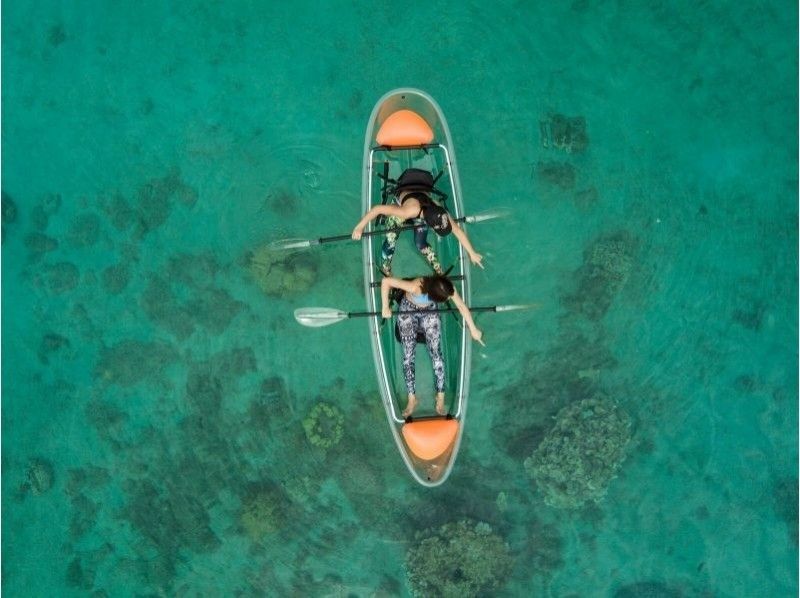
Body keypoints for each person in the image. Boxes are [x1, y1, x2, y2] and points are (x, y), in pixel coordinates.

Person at [381, 274, 484, 417]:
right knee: (408, 356)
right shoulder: (416, 286)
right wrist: (385, 307)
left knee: (436, 354)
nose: (449, 299)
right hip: (408, 311)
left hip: (430, 311)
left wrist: (473, 329)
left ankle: (440, 396)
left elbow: (460, 305)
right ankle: (412, 399)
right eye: (445, 299)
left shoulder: (446, 286)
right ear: (433, 295)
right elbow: (386, 281)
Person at [351, 168, 484, 276]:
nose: (437, 233)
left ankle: (438, 270)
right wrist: (359, 227)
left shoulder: (439, 210)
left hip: (422, 209)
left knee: (420, 243)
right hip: (403, 205)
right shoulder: (407, 211)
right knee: (391, 240)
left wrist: (472, 253)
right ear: (430, 225)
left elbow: (457, 231)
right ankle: (386, 268)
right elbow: (377, 209)